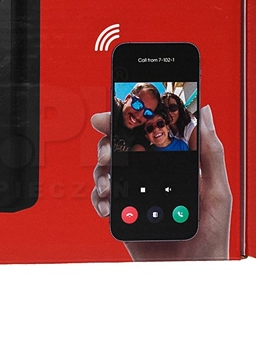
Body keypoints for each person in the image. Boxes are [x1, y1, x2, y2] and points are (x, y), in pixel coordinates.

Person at [90, 105, 232, 261]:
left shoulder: (183, 145)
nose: (156, 129)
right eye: (150, 128)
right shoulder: (148, 154)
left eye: (160, 124)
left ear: (167, 126)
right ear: (147, 136)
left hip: (183, 209)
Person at [111, 82, 161, 151]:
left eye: (148, 113)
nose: (138, 116)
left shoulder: (142, 133)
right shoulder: (114, 108)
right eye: (137, 104)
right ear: (127, 98)